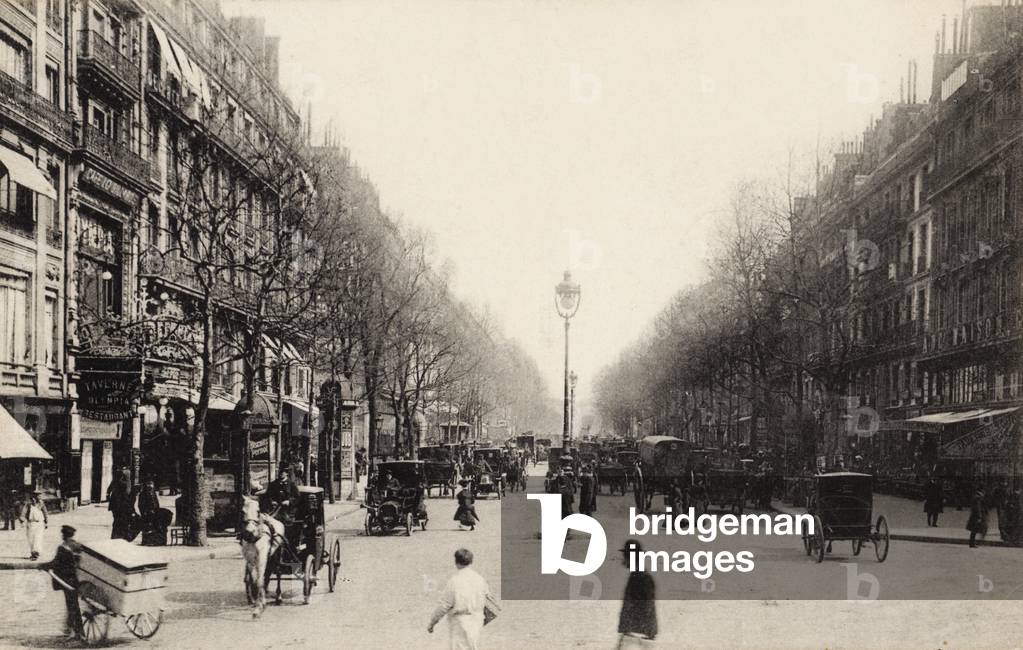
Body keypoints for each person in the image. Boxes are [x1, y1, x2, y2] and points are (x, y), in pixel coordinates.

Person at [427, 548, 492, 650]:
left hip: (460, 622)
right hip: (477, 620)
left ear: (456, 562)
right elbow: (488, 597)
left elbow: (444, 605)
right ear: (471, 561)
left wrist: (432, 622)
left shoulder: (454, 581)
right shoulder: (480, 579)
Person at [39, 525, 84, 640]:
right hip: (78, 578)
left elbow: (55, 563)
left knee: (72, 606)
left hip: (68, 581)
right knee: (73, 605)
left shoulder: (63, 548)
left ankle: (78, 632)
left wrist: (43, 566)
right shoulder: (78, 546)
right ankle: (71, 629)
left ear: (63, 535)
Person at [617, 539, 657, 649]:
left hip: (637, 635)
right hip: (637, 635)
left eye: (625, 556)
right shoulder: (638, 576)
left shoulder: (640, 578)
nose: (623, 560)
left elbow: (646, 607)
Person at [107, 471, 136, 541]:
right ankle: (123, 536)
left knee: (117, 521)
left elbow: (108, 491)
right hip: (121, 505)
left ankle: (116, 536)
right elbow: (130, 496)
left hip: (115, 505)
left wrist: (109, 498)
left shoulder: (115, 481)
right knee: (123, 522)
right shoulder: (125, 484)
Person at [20, 490, 48, 560]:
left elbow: (45, 513)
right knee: (31, 539)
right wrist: (22, 520)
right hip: (30, 523)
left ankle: (36, 554)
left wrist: (46, 522)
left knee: (38, 539)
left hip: (39, 523)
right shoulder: (28, 504)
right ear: (33, 496)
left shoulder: (41, 504)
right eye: (37, 495)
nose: (39, 497)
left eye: (39, 495)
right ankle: (33, 553)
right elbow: (23, 512)